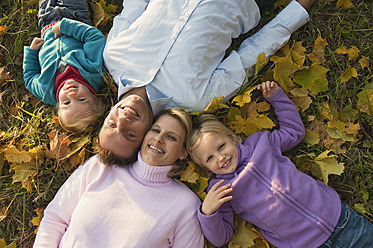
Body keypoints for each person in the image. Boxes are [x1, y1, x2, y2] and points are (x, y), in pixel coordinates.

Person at [99, 0, 315, 165]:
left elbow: (134, 5)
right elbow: (251, 54)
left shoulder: (114, 56)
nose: (124, 120)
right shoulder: (195, 99)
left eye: (112, 124)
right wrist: (299, 9)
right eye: (130, 134)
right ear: (147, 135)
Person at [186, 81, 373, 248]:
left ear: (231, 138)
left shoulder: (261, 143)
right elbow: (222, 238)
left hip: (340, 219)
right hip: (305, 244)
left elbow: (294, 132)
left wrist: (277, 98)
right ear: (205, 167)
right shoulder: (221, 189)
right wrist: (208, 213)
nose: (220, 158)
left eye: (221, 146)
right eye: (209, 158)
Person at [33, 108, 204, 247]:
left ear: (183, 152)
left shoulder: (185, 206)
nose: (158, 139)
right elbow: (55, 218)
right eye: (155, 130)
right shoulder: (101, 166)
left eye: (171, 137)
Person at [23, 0, 106, 133]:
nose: (72, 94)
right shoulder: (93, 72)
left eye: (66, 103)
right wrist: (65, 27)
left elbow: (29, 78)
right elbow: (94, 38)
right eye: (81, 99)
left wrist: (32, 52)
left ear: (58, 105)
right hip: (75, 15)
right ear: (94, 96)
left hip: (46, 21)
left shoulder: (46, 90)